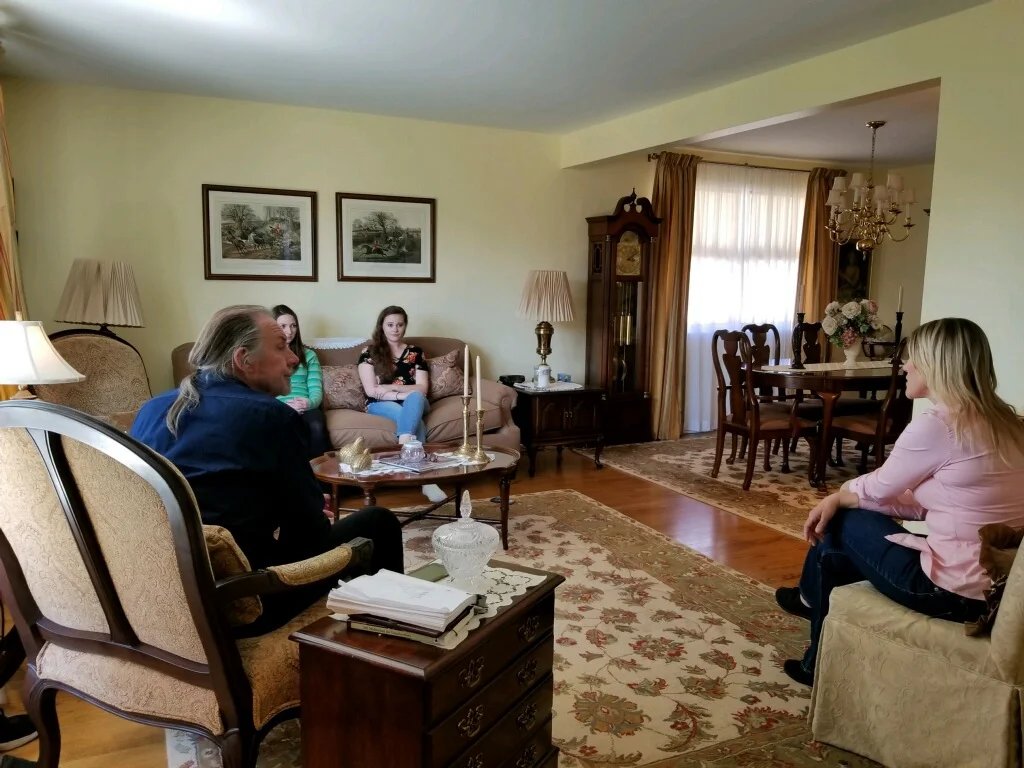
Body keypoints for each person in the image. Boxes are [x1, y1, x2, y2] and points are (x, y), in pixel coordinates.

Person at [775, 318, 1024, 686]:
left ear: (936, 364)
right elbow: (923, 505)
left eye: (912, 358)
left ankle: (811, 606)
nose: (904, 366)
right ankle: (812, 616)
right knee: (837, 543)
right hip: (996, 586)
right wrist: (847, 498)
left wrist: (842, 494)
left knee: (843, 522)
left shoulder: (940, 425)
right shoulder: (1010, 423)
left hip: (952, 593)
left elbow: (879, 488)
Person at [131, 305, 405, 633]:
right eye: (280, 347)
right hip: (246, 602)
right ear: (243, 359)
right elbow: (309, 536)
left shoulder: (151, 409)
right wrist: (305, 507)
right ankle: (392, 638)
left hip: (166, 600)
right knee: (378, 522)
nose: (293, 358)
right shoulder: (270, 416)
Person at [357, 306, 445, 503]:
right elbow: (371, 391)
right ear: (382, 326)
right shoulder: (369, 352)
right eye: (390, 325)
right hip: (379, 403)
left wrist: (391, 388)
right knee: (415, 420)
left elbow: (422, 388)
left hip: (415, 401)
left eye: (400, 324)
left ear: (405, 326)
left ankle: (403, 448)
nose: (395, 329)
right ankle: (427, 481)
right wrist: (402, 395)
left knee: (415, 398)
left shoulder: (416, 352)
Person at [271, 304, 330, 459]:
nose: (289, 331)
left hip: (306, 406)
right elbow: (260, 391)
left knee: (316, 425)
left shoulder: (309, 355)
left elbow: (315, 389)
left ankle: (321, 473)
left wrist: (308, 403)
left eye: (293, 326)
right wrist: (283, 406)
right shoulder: (265, 357)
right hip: (277, 407)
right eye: (283, 326)